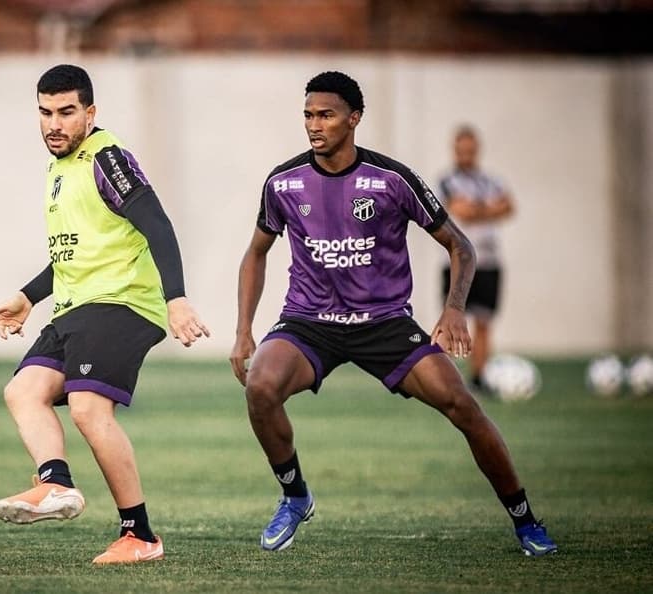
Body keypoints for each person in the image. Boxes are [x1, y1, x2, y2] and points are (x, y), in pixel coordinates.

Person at [228, 71, 556, 557]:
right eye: (308, 115)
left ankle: (525, 520)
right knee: (260, 387)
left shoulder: (391, 180)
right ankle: (295, 496)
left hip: (384, 323)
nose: (314, 125)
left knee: (462, 406)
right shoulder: (284, 182)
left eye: (326, 115)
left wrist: (453, 310)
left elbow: (460, 246)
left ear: (354, 118)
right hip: (310, 322)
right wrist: (243, 332)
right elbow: (256, 253)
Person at [0, 64, 209, 564]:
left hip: (121, 302)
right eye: (44, 112)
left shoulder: (106, 157)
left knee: (87, 408)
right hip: (77, 306)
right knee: (23, 391)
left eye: (66, 112)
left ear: (90, 112)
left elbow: (157, 223)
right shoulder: (60, 168)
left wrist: (177, 297)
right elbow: (75, 252)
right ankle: (56, 484)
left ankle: (140, 536)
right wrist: (27, 296)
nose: (53, 123)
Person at [438, 126, 514, 394]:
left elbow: (508, 206)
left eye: (470, 150)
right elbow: (462, 211)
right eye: (461, 150)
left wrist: (480, 208)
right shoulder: (447, 181)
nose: (466, 155)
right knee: (452, 320)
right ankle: (444, 380)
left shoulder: (491, 180)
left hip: (489, 261)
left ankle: (479, 378)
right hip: (458, 262)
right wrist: (488, 209)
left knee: (484, 320)